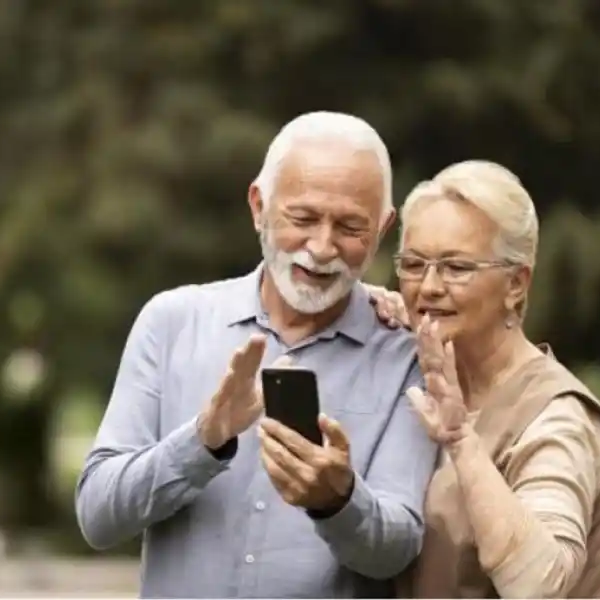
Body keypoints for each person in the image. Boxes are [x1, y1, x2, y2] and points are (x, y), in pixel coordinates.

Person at [75, 111, 438, 598]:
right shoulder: (172, 323)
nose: (322, 247)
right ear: (258, 207)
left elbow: (398, 549)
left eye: (351, 226)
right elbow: (98, 517)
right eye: (302, 219)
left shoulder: (404, 355)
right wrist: (202, 441)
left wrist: (339, 500)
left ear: (383, 227)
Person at [366, 160, 600, 598]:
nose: (428, 286)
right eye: (414, 264)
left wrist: (461, 441)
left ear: (516, 284)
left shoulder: (558, 415)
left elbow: (541, 584)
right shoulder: (416, 369)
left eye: (456, 267)